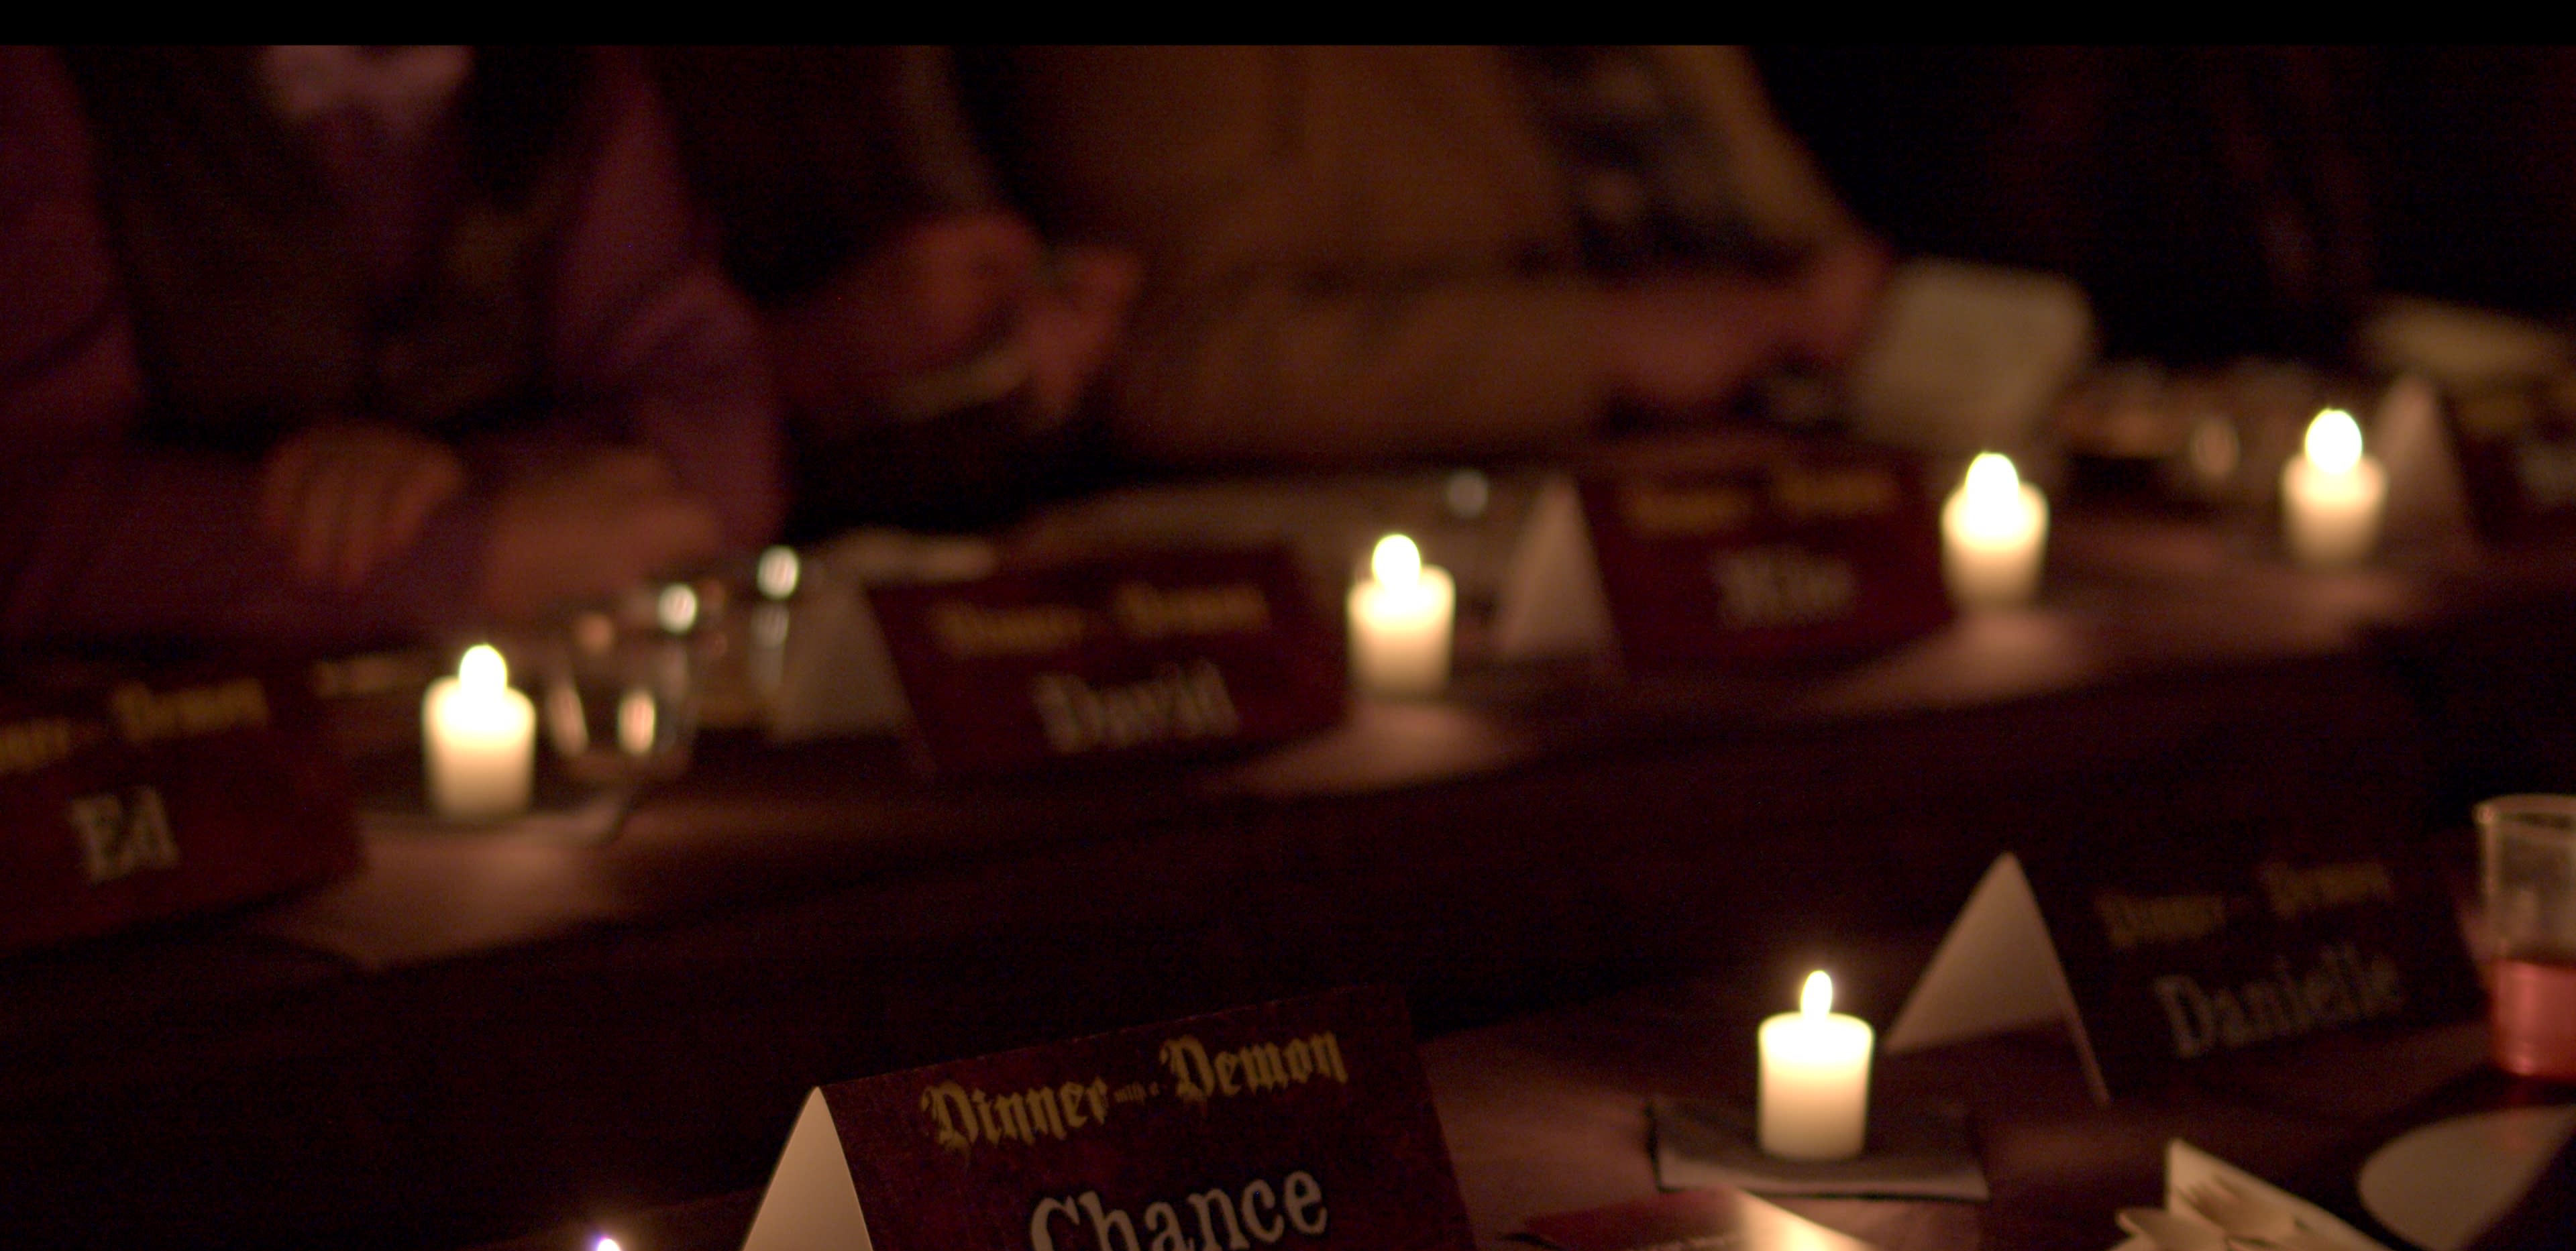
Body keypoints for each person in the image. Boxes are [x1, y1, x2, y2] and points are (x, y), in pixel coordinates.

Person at [0, 46, 782, 653]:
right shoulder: (60, 79)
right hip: (175, 768)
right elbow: (31, 522)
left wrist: (465, 481)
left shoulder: (574, 80)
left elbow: (726, 447)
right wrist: (465, 555)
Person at [984, 45, 1888, 470]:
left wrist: (1841, 293)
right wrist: (1603, 342)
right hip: (1453, 570)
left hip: (1782, 498)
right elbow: (1170, 365)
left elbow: (1797, 237)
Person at [649, 46, 1137, 538]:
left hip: (985, 504)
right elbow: (648, 405)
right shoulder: (641, 101)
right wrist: (829, 347)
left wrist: (1044, 326)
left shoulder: (921, 80)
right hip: (776, 518)